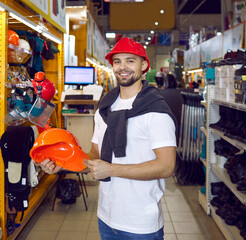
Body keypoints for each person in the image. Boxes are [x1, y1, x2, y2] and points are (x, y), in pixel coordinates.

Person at [37, 37, 176, 240]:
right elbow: (95, 156)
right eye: (117, 61)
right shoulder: (105, 109)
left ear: (144, 65)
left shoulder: (156, 111)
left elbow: (166, 166)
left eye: (130, 60)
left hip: (141, 224)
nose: (122, 67)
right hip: (107, 218)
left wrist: (112, 170)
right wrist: (64, 165)